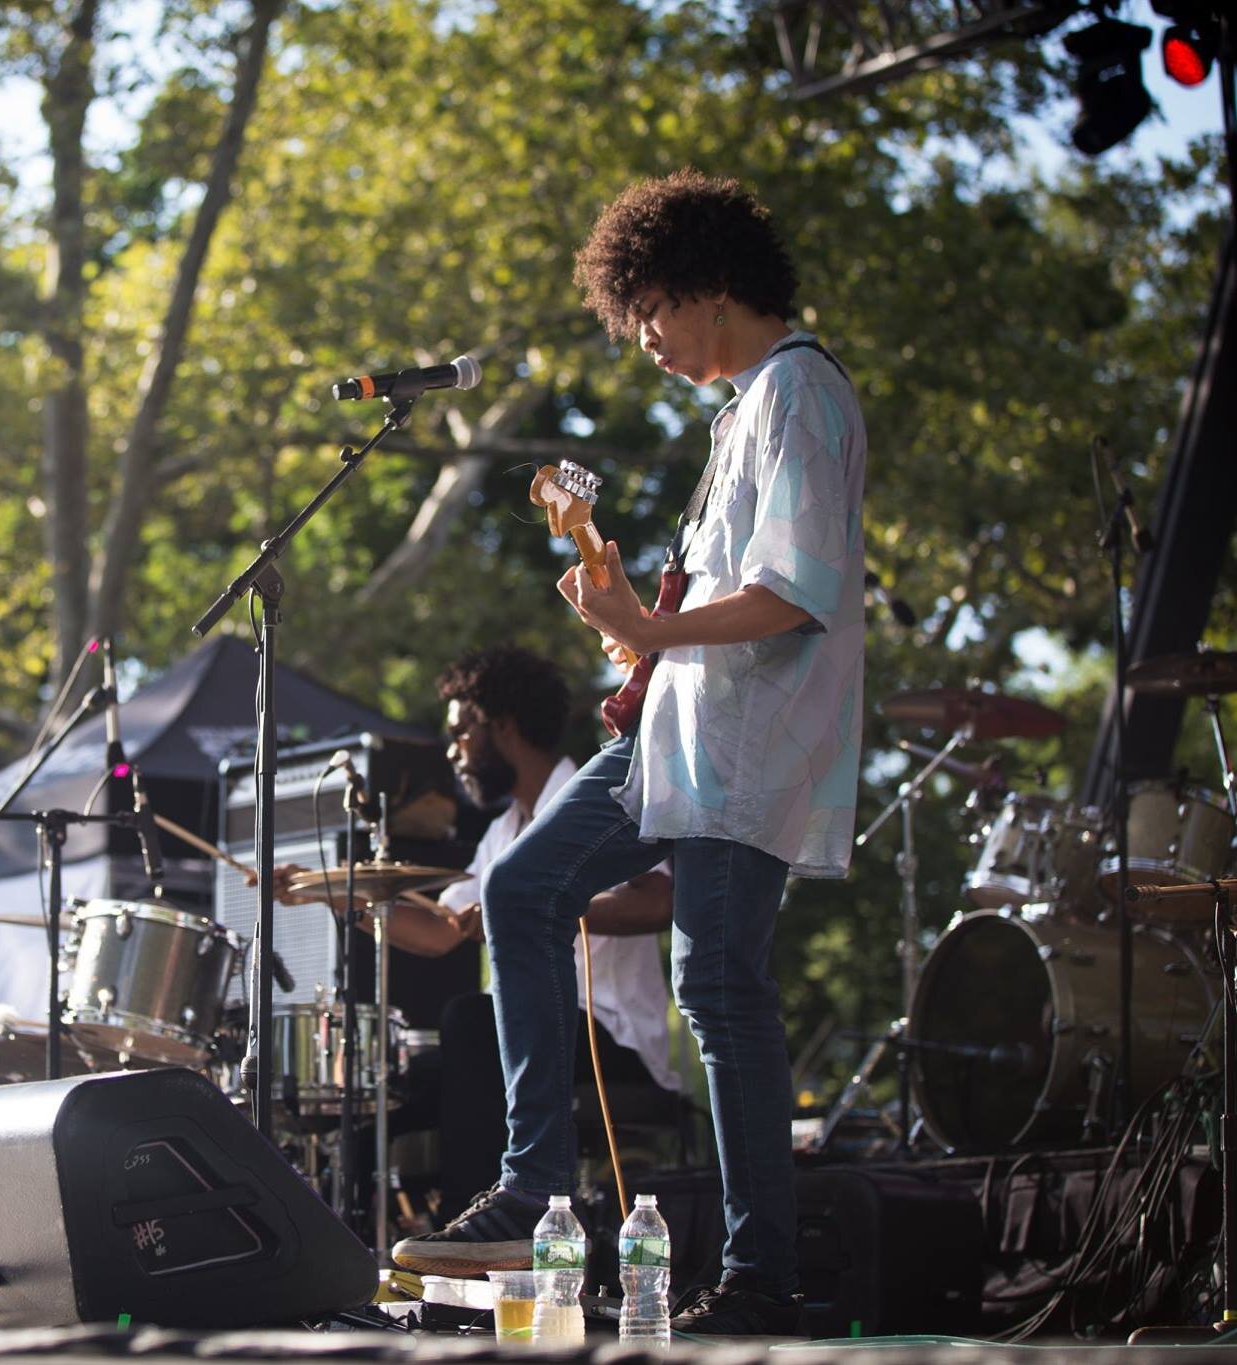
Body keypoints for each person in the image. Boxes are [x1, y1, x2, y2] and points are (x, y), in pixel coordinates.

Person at [389, 170, 867, 1338]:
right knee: (520, 881)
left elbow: (791, 595)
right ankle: (534, 1185)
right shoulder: (741, 409)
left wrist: (647, 629)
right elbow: (701, 608)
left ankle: (758, 1276)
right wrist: (625, 616)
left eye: (648, 308)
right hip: (675, 736)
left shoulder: (797, 391)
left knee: (717, 989)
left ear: (709, 286)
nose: (642, 339)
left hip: (742, 751)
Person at [276, 646, 679, 1234]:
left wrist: (542, 904)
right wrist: (335, 897)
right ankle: (355, 1248)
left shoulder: (591, 795)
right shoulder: (503, 831)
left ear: (504, 727)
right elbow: (442, 932)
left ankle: (487, 1234)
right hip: (534, 1033)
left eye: (461, 733)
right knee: (392, 1087)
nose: (451, 751)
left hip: (611, 1035)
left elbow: (659, 900)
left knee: (469, 1020)